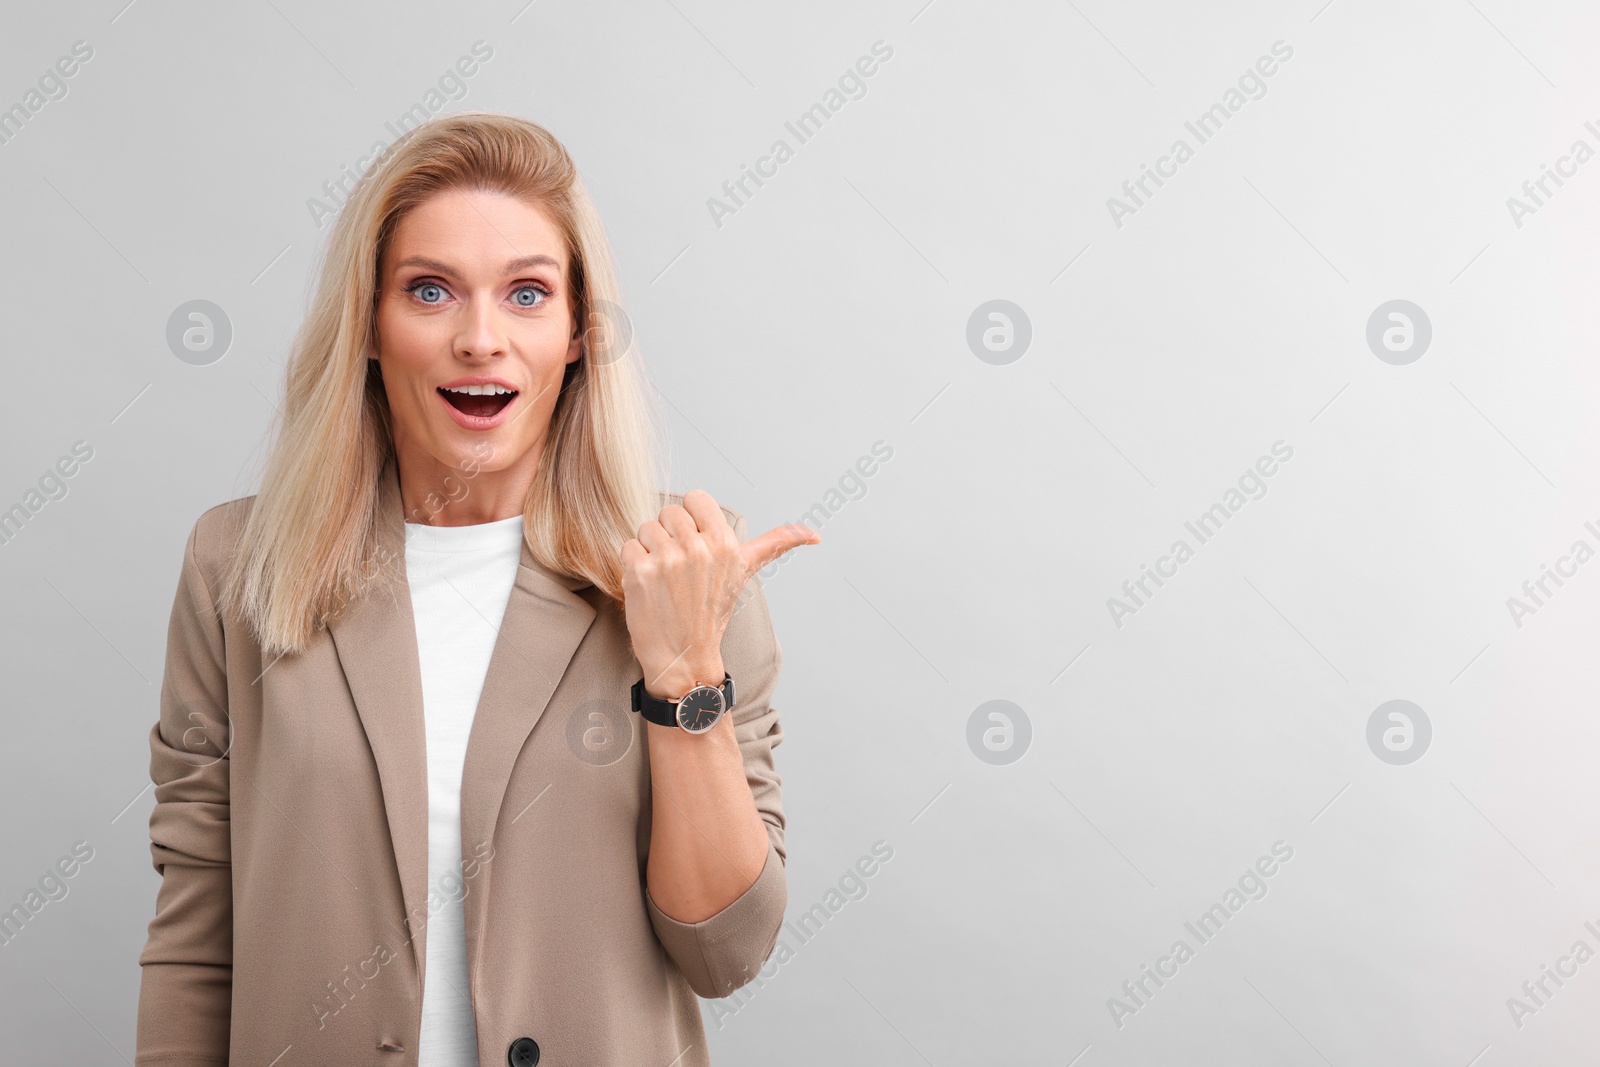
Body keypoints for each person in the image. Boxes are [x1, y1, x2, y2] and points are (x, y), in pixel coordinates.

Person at [134, 111, 818, 1066]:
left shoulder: (684, 574)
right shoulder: (236, 566)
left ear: (579, 333)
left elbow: (726, 948)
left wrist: (684, 676)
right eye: (429, 291)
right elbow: (197, 932)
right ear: (369, 327)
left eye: (528, 293)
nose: (480, 338)